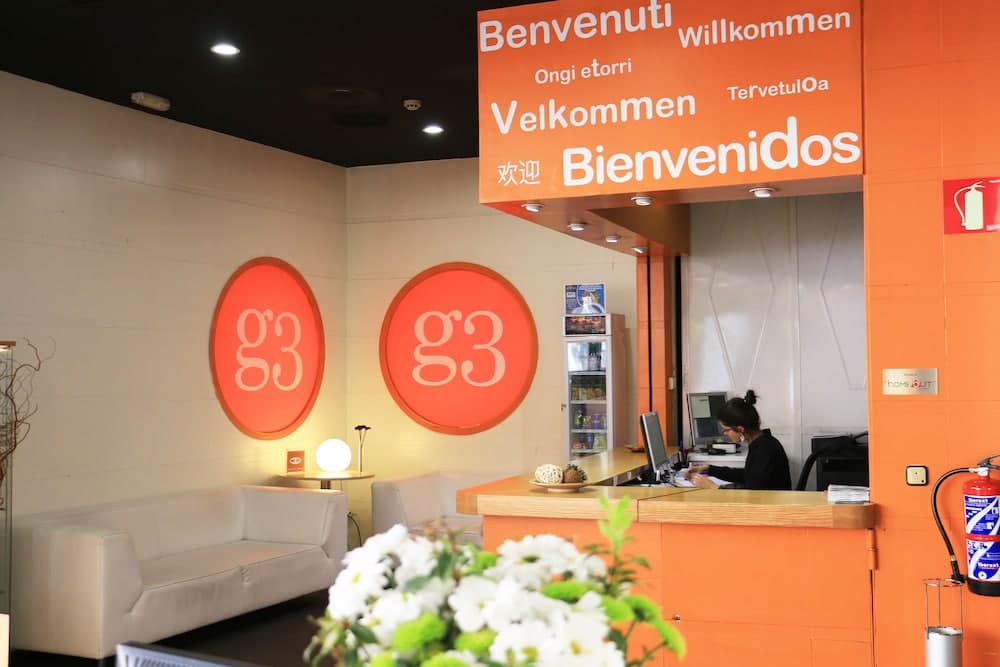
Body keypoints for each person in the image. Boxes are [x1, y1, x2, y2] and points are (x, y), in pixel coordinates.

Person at [688, 390, 791, 490]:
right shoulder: (761, 442)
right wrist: (709, 469)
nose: (725, 434)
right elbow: (747, 475)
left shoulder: (764, 450)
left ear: (740, 429)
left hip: (769, 501)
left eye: (726, 430)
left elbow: (752, 493)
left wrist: (713, 487)